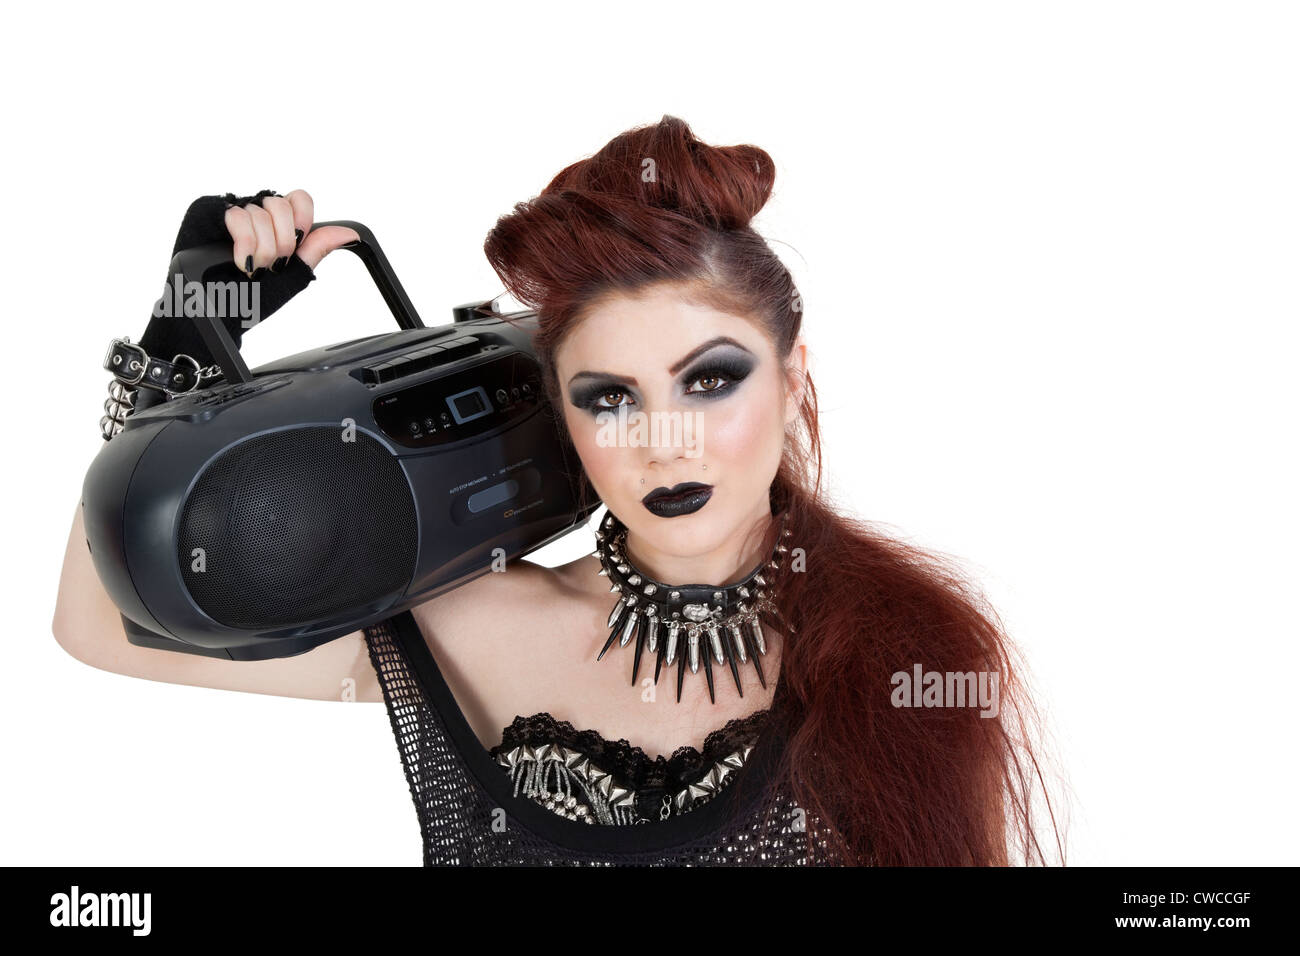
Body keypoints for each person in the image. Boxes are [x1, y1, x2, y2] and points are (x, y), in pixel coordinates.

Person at [53, 115, 1063, 865]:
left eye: (710, 379)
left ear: (792, 378)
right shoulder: (471, 622)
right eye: (609, 395)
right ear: (561, 409)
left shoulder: (907, 645)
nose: (664, 441)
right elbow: (101, 622)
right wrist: (175, 347)